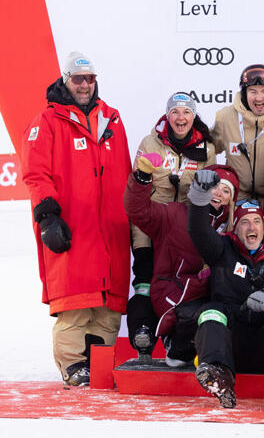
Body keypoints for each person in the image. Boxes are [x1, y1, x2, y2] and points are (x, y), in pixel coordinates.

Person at [20, 52, 131, 386]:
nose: (84, 85)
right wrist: (48, 217)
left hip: (111, 230)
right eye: (78, 78)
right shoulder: (47, 122)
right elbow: (35, 174)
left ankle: (98, 365)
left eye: (90, 78)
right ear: (65, 80)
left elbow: (125, 171)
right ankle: (73, 367)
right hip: (73, 228)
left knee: (108, 308)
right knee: (75, 304)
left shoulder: (111, 118)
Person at [186, 170, 264, 409]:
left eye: (256, 221)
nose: (250, 227)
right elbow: (198, 230)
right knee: (210, 310)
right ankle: (218, 377)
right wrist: (200, 196)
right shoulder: (222, 248)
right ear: (236, 227)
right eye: (244, 222)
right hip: (231, 345)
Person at [127, 92, 217, 361]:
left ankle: (176, 338)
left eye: (186, 112)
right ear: (167, 116)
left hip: (185, 228)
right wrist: (141, 240)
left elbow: (210, 189)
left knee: (182, 283)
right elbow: (138, 188)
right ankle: (143, 335)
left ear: (194, 116)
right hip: (153, 222)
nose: (180, 118)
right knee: (145, 277)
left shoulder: (206, 148)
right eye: (175, 112)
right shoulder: (150, 142)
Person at [124, 157, 238, 367]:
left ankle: (202, 353)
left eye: (226, 191)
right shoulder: (175, 214)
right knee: (207, 313)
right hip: (172, 295)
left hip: (206, 300)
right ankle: (177, 343)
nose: (219, 194)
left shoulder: (232, 231)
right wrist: (142, 177)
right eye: (214, 187)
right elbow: (138, 211)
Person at [211, 64, 264, 203]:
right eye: (253, 91)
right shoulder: (225, 117)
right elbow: (209, 148)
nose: (259, 98)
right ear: (244, 93)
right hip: (236, 200)